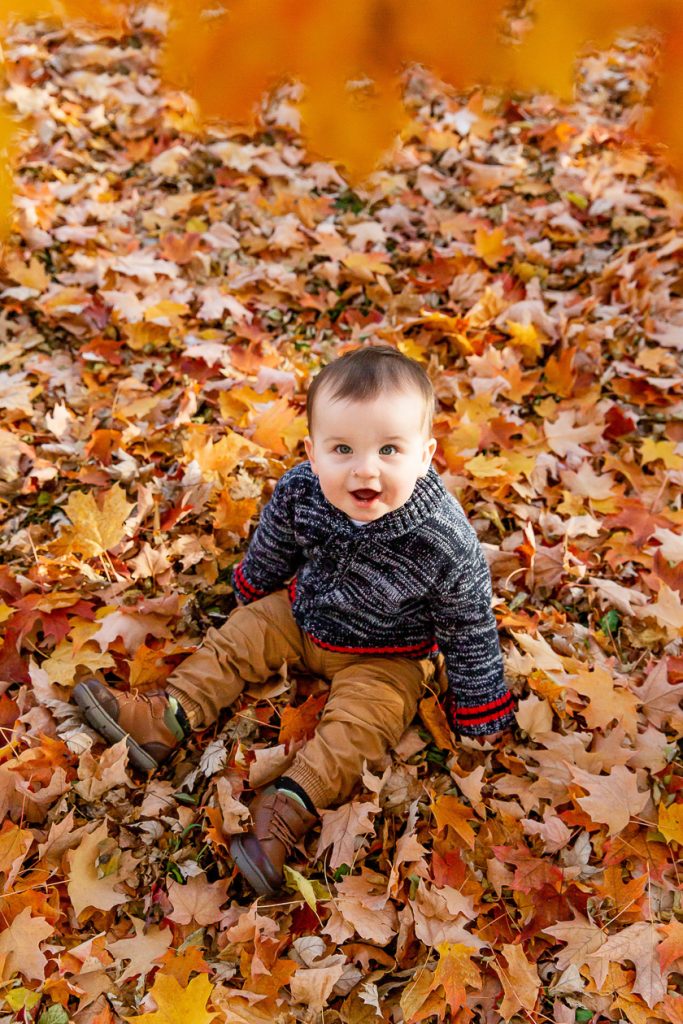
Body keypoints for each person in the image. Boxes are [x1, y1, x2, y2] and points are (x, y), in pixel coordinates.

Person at [73, 345, 515, 896]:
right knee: (240, 637)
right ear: (313, 450)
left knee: (362, 726)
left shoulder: (445, 542)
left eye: (389, 449)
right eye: (342, 449)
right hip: (302, 614)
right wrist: (250, 589)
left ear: (425, 456)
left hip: (386, 655)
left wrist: (479, 709)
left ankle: (289, 804)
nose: (365, 469)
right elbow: (275, 545)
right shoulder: (303, 489)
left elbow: (469, 627)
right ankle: (166, 717)